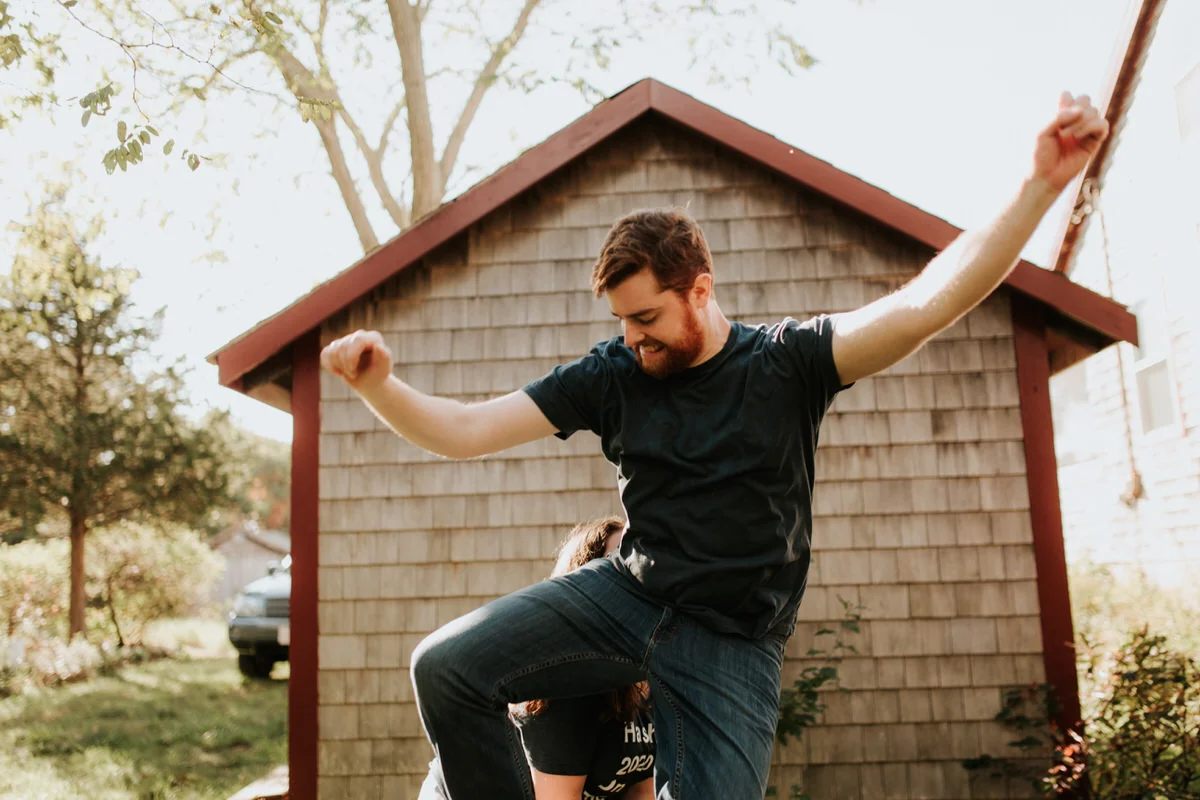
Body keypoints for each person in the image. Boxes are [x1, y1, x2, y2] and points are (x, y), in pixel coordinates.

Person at [321, 93, 1109, 799]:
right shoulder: (611, 374)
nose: (631, 339)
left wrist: (1041, 184)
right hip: (628, 598)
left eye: (647, 319)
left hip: (730, 640)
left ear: (699, 289)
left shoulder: (787, 363)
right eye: (621, 323)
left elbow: (927, 305)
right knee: (446, 665)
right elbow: (464, 432)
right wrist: (379, 387)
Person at [417, 517, 655, 800]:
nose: (626, 578)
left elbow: (641, 790)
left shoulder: (648, 679)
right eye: (612, 564)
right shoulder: (568, 690)